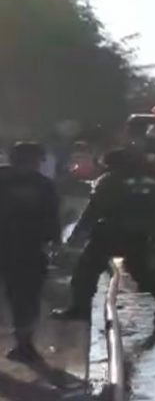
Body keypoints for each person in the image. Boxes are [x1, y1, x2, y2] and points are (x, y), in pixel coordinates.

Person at [54, 148, 155, 321]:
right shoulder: (148, 181)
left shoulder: (108, 181)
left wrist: (76, 238)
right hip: (139, 234)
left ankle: (79, 309)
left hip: (110, 233)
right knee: (140, 269)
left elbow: (93, 211)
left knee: (86, 271)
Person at [0, 142, 60, 362]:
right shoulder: (44, 185)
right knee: (26, 297)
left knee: (22, 297)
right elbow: (52, 218)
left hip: (9, 247)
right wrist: (55, 243)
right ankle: (25, 344)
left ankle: (24, 344)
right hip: (30, 249)